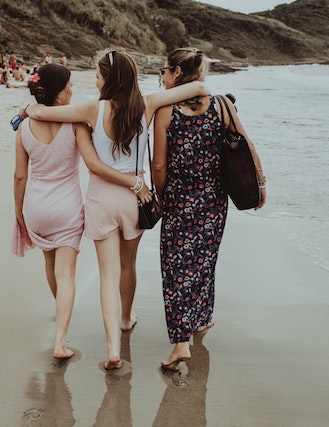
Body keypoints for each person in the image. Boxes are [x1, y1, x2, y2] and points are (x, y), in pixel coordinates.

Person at [21, 50, 211, 369]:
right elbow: (201, 89)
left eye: (98, 76)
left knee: (108, 275)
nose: (95, 82)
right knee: (128, 266)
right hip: (135, 198)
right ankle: (126, 318)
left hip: (102, 198)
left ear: (109, 79)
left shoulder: (92, 109)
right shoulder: (147, 104)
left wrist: (26, 107)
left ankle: (112, 349)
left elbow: (41, 115)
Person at [13, 63, 152, 360]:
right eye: (69, 87)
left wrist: (18, 211)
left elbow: (20, 176)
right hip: (70, 207)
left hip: (37, 205)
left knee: (52, 268)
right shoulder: (78, 123)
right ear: (59, 93)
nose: (74, 90)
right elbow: (93, 161)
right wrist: (135, 181)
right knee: (72, 274)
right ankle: (68, 341)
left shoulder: (23, 128)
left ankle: (62, 314)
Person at [152, 48, 266, 370]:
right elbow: (247, 145)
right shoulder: (222, 106)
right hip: (214, 201)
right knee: (204, 260)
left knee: (176, 269)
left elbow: (159, 165)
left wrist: (159, 198)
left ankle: (180, 343)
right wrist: (262, 183)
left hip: (178, 201)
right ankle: (201, 318)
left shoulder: (166, 111)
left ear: (176, 73)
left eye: (164, 71)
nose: (162, 77)